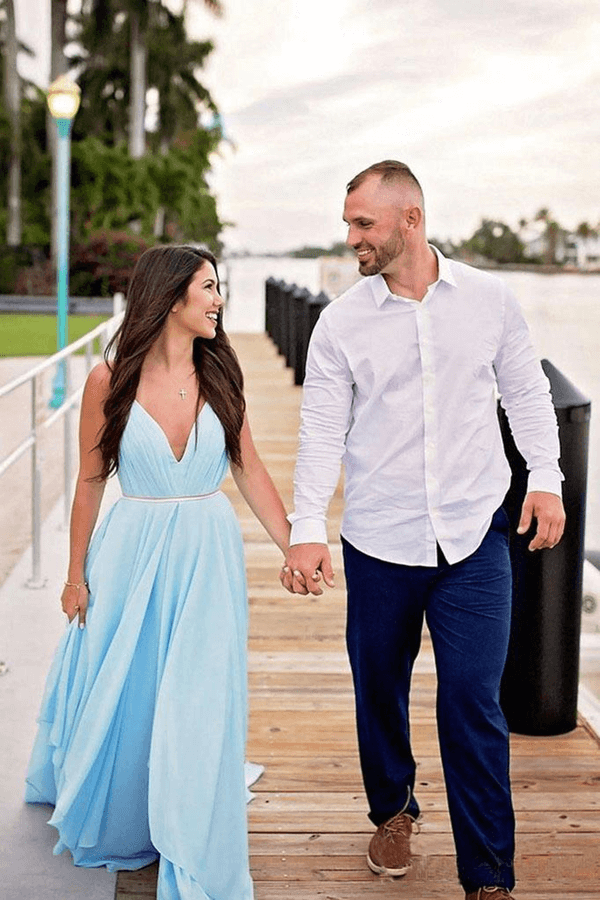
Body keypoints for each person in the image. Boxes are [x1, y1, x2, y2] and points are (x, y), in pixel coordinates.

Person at [281, 161, 565, 900]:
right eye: (349, 224)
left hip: (476, 537)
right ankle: (393, 809)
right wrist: (306, 527)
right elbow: (318, 433)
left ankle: (488, 877)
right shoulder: (341, 321)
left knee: (472, 697)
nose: (352, 239)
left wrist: (546, 479)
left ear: (411, 219)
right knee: (379, 687)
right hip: (379, 541)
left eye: (363, 224)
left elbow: (528, 392)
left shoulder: (489, 299)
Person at [26, 245, 291, 899]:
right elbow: (90, 481)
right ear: (172, 297)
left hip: (206, 556)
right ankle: (132, 812)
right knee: (133, 688)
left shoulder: (223, 377)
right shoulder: (107, 379)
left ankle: (193, 818)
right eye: (209, 287)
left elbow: (250, 469)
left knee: (197, 695)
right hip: (130, 552)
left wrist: (295, 547)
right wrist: (74, 574)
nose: (219, 300)